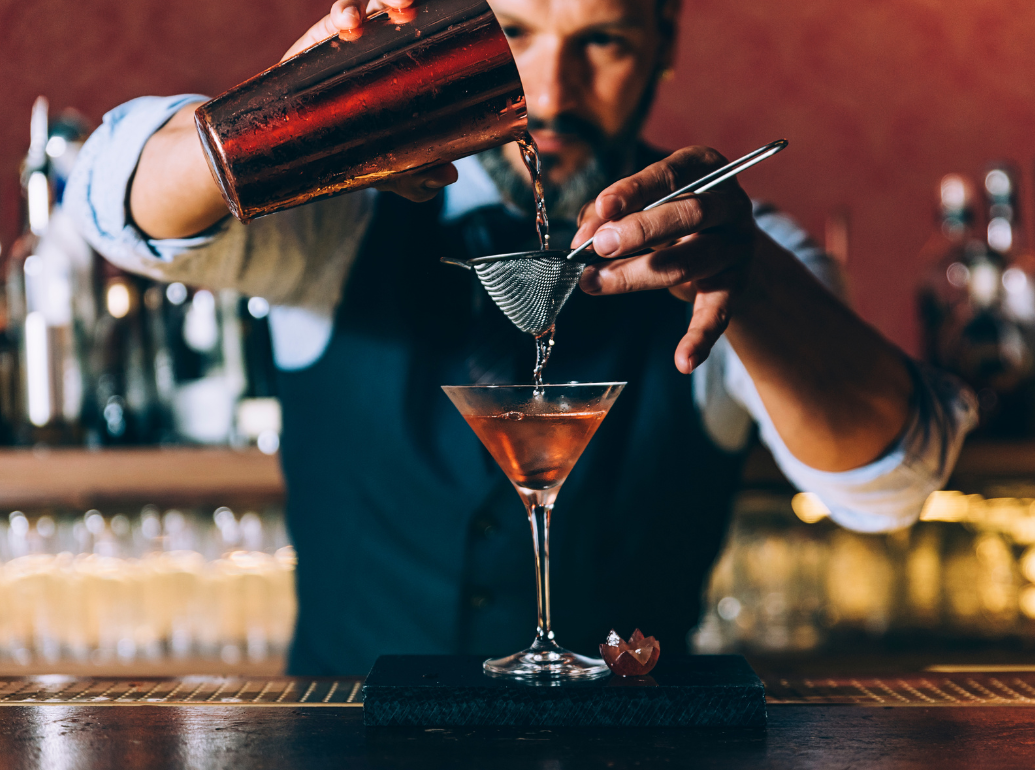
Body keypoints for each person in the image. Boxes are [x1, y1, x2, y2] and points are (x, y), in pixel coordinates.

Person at [66, 0, 976, 674]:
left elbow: (891, 487)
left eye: (605, 42)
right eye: (511, 35)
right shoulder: (334, 225)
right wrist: (286, 122)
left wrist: (756, 278)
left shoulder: (748, 252)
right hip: (347, 755)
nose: (547, 92)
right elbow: (112, 209)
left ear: (666, 40)